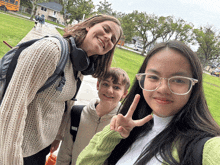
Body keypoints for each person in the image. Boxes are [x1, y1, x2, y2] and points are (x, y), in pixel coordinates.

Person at [0, 14, 122, 165]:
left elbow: (67, 102)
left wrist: (58, 135)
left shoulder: (80, 65)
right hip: (16, 150)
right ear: (89, 26)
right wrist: (10, 159)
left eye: (113, 39)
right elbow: (12, 108)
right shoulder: (51, 50)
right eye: (106, 29)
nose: (108, 37)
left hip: (40, 148)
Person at [76, 40, 220, 165]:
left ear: (194, 86)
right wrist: (113, 134)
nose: (163, 89)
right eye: (153, 77)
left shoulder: (206, 146)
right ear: (142, 80)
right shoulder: (134, 131)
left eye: (178, 80)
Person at [56, 67, 130, 165]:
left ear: (124, 93)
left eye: (116, 87)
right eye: (105, 84)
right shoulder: (77, 113)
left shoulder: (124, 123)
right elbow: (65, 151)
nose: (109, 90)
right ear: (98, 85)